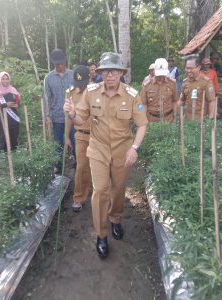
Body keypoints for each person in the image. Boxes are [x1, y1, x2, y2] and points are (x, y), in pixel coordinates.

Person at [64, 52, 147, 258]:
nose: (109, 75)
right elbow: (82, 119)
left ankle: (115, 219)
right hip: (98, 149)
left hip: (122, 150)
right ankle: (101, 234)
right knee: (100, 190)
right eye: (105, 71)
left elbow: (142, 124)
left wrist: (134, 148)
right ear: (100, 73)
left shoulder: (131, 94)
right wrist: (73, 113)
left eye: (114, 71)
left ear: (120, 72)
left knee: (118, 189)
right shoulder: (91, 92)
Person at [66, 65, 92, 212]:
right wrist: (67, 137)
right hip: (80, 135)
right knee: (81, 167)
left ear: (89, 79)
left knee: (98, 166)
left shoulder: (97, 92)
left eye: (83, 85)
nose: (80, 88)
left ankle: (97, 194)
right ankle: (79, 197)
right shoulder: (70, 94)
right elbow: (70, 117)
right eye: (78, 84)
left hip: (96, 135)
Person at [44, 48, 74, 173]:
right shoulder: (49, 78)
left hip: (73, 116)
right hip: (57, 116)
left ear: (65, 61)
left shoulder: (73, 74)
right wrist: (47, 115)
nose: (59, 66)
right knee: (58, 143)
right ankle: (59, 166)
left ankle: (76, 163)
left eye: (61, 63)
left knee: (75, 140)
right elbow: (47, 98)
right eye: (57, 64)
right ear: (53, 63)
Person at [140, 58, 178, 123]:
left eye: (162, 74)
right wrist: (143, 120)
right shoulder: (147, 85)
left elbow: (175, 101)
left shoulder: (172, 84)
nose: (160, 76)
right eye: (159, 74)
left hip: (168, 120)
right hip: (151, 120)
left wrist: (175, 117)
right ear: (154, 71)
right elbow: (143, 104)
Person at [178, 55, 216, 121]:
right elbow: (182, 100)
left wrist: (210, 119)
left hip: (201, 121)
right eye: (187, 68)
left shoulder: (206, 82)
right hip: (187, 120)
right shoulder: (185, 82)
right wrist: (174, 111)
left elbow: (212, 101)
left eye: (191, 68)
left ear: (198, 67)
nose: (188, 70)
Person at [0, 71, 20, 151]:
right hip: (2, 117)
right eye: (3, 79)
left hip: (13, 117)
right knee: (3, 136)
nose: (5, 81)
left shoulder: (12, 89)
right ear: (0, 80)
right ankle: (5, 157)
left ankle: (15, 154)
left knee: (14, 136)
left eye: (7, 79)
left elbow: (17, 101)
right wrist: (6, 104)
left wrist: (16, 104)